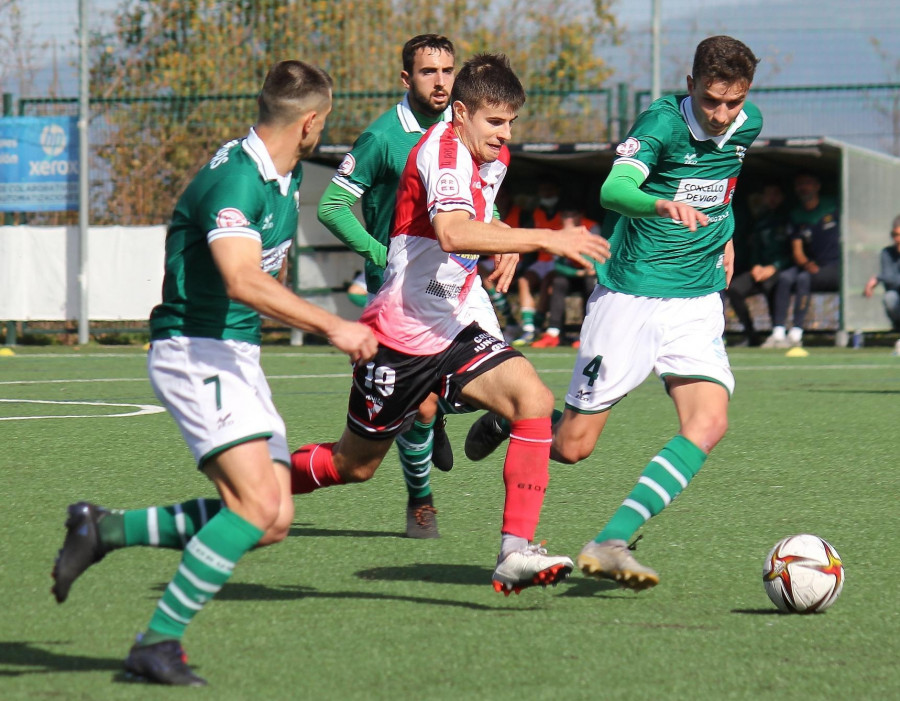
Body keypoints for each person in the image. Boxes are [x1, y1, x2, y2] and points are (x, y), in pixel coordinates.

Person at [50, 61, 378, 686]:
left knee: (273, 518)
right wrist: (333, 324)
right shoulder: (236, 180)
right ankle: (157, 642)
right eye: (324, 123)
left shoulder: (281, 180)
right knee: (255, 506)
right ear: (311, 122)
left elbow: (260, 275)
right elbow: (241, 278)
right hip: (194, 352)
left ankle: (105, 529)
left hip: (236, 356)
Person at [288, 53, 610, 595]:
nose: (505, 134)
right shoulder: (439, 151)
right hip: (403, 331)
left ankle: (514, 551)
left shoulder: (491, 155)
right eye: (494, 121)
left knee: (531, 400)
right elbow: (454, 233)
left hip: (456, 318)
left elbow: (479, 221)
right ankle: (259, 484)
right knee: (354, 465)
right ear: (459, 113)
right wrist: (545, 237)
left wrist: (504, 236)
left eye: (511, 122)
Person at [466, 36, 761, 590]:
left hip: (696, 300)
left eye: (735, 102)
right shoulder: (659, 125)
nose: (723, 115)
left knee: (710, 422)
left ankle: (612, 540)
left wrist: (728, 233)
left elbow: (725, 183)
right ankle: (516, 421)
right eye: (713, 101)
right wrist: (658, 202)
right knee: (574, 447)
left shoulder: (747, 123)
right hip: (631, 297)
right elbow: (613, 189)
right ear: (691, 84)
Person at [317, 34, 496, 538]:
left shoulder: (463, 129)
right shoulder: (381, 138)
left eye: (447, 71)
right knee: (418, 409)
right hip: (396, 294)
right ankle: (421, 499)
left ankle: (466, 417)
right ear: (406, 78)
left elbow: (483, 197)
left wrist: (499, 242)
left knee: (503, 383)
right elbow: (333, 206)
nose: (440, 81)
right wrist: (379, 254)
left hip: (454, 285)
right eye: (427, 72)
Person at [762, 172, 840, 348]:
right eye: (799, 184)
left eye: (807, 183)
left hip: (834, 267)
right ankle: (778, 332)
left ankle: (796, 333)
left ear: (817, 186)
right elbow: (797, 250)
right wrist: (806, 264)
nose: (803, 188)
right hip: (809, 266)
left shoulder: (833, 206)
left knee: (803, 279)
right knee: (785, 278)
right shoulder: (796, 215)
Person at [725, 182, 791, 346]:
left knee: (774, 285)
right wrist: (755, 266)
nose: (771, 198)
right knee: (733, 289)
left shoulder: (790, 218)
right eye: (768, 194)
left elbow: (792, 251)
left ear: (782, 197)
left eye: (775, 194)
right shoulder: (761, 220)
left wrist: (774, 266)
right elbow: (755, 247)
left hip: (782, 269)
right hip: (759, 270)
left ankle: (777, 333)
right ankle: (751, 335)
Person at [531, 208, 601, 348]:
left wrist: (585, 266)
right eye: (565, 215)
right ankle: (553, 332)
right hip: (571, 273)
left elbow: (594, 257)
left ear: (580, 216)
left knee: (590, 285)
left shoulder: (591, 227)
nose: (568, 219)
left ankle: (588, 332)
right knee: (558, 282)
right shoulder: (558, 231)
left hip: (589, 272)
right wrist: (576, 273)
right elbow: (557, 265)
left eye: (572, 215)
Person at [512, 177, 563, 345]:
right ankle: (528, 329)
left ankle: (538, 325)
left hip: (559, 259)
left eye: (550, 189)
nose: (547, 194)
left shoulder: (563, 212)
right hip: (541, 259)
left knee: (548, 282)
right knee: (524, 280)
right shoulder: (536, 213)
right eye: (543, 190)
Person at [863, 214, 900, 349]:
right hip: (897, 295)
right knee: (890, 298)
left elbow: (888, 277)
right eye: (895, 235)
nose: (897, 239)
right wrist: (882, 277)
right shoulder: (887, 253)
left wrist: (877, 278)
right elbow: (889, 279)